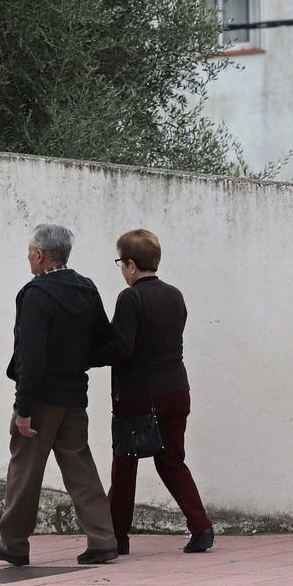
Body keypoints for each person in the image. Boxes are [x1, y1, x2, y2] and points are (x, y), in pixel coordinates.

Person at [0, 224, 120, 567]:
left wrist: (23, 407)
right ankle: (104, 540)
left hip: (42, 398)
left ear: (41, 254)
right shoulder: (86, 288)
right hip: (74, 395)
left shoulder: (36, 294)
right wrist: (76, 361)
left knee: (25, 470)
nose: (28, 257)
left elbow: (31, 356)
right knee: (80, 467)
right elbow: (104, 342)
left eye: (30, 251)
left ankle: (14, 544)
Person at [92, 228, 215, 555]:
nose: (121, 270)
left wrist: (87, 357)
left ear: (131, 265)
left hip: (139, 396)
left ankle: (116, 536)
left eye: (121, 262)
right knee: (172, 460)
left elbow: (122, 348)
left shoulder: (129, 297)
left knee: (125, 463)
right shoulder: (175, 294)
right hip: (177, 390)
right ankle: (201, 527)